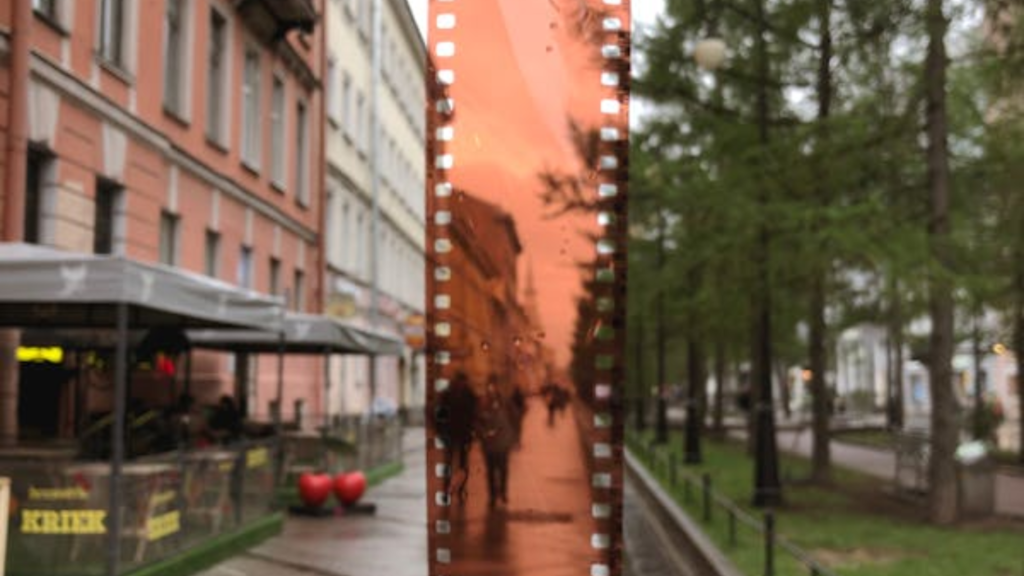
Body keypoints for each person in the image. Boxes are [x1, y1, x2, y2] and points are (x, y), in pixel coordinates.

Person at [437, 371, 477, 502]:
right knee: (453, 464)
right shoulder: (450, 395)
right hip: (454, 434)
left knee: (460, 465)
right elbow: (441, 415)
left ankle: (458, 491)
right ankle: (449, 490)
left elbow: (473, 416)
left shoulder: (468, 395)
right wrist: (441, 431)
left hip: (461, 434)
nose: (461, 384)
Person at [477, 377, 516, 508]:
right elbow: (478, 424)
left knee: (502, 470)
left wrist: (512, 436)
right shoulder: (483, 405)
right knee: (492, 472)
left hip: (502, 444)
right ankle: (494, 496)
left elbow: (515, 418)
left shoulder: (505, 404)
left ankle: (501, 493)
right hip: (490, 445)